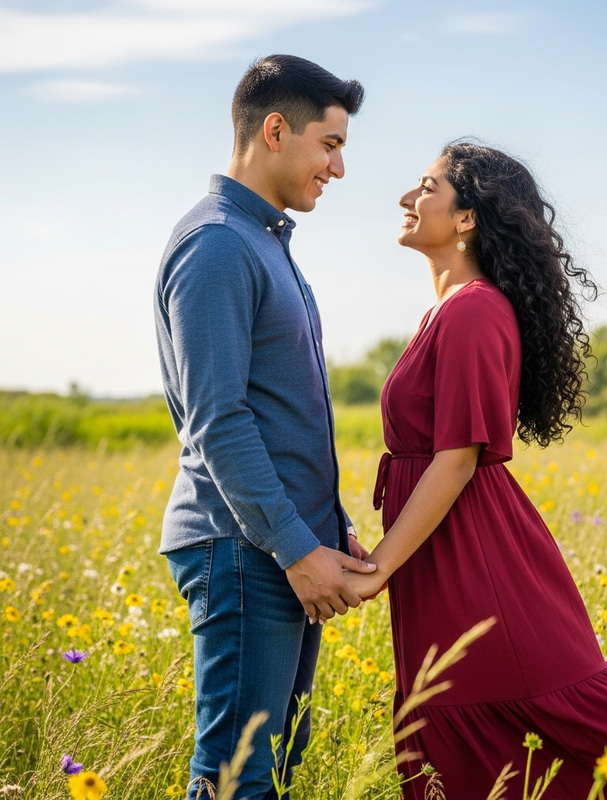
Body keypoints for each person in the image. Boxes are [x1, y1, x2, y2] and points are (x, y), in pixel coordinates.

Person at [345, 141, 607, 799]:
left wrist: (380, 566)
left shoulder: (473, 308)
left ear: (469, 216)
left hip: (474, 558)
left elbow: (456, 459)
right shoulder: (447, 311)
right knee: (454, 725)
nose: (406, 198)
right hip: (448, 551)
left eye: (425, 186)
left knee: (499, 723)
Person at [153, 54, 376, 800]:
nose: (338, 168)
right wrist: (293, 545)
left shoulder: (264, 241)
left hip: (281, 545)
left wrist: (327, 526)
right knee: (234, 780)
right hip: (246, 549)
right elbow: (219, 420)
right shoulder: (216, 244)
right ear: (275, 131)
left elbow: (286, 414)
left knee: (274, 767)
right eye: (331, 144)